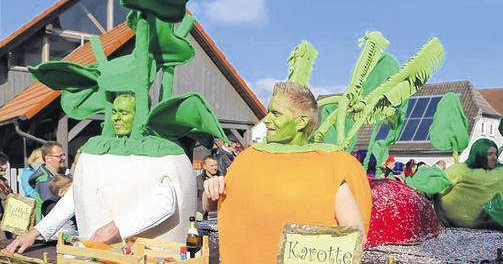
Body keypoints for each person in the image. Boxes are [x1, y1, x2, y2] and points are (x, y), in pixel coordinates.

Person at [203, 82, 372, 263]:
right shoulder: (247, 160)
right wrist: (212, 188)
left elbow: (354, 237)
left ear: (301, 122)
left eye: (276, 113)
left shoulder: (330, 167)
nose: (267, 119)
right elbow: (209, 206)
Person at [5, 92, 179, 254]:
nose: (116, 118)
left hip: (146, 251)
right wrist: (35, 233)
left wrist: (115, 227)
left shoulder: (157, 151)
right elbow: (74, 198)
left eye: (124, 112)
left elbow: (165, 202)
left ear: (142, 113)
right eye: (114, 112)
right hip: (104, 250)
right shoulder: (103, 153)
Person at [435, 138, 503, 229]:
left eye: (496, 153)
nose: (494, 157)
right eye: (490, 154)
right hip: (459, 230)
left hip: (496, 230)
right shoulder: (459, 170)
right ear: (479, 154)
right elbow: (436, 186)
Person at [28, 142, 66, 223]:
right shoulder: (44, 180)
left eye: (64, 155)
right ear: (48, 158)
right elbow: (50, 207)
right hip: (47, 227)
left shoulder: (58, 175)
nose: (64, 158)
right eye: (60, 156)